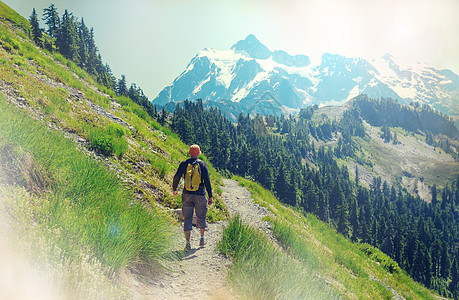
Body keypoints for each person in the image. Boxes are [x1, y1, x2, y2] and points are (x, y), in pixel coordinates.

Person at [173, 144, 213, 251]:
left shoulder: (184, 164)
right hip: (200, 195)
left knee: (187, 218)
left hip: (187, 194)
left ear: (190, 153)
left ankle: (187, 243)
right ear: (199, 153)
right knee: (201, 216)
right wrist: (210, 196)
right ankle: (202, 238)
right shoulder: (203, 165)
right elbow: (207, 182)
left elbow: (177, 176)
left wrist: (175, 188)